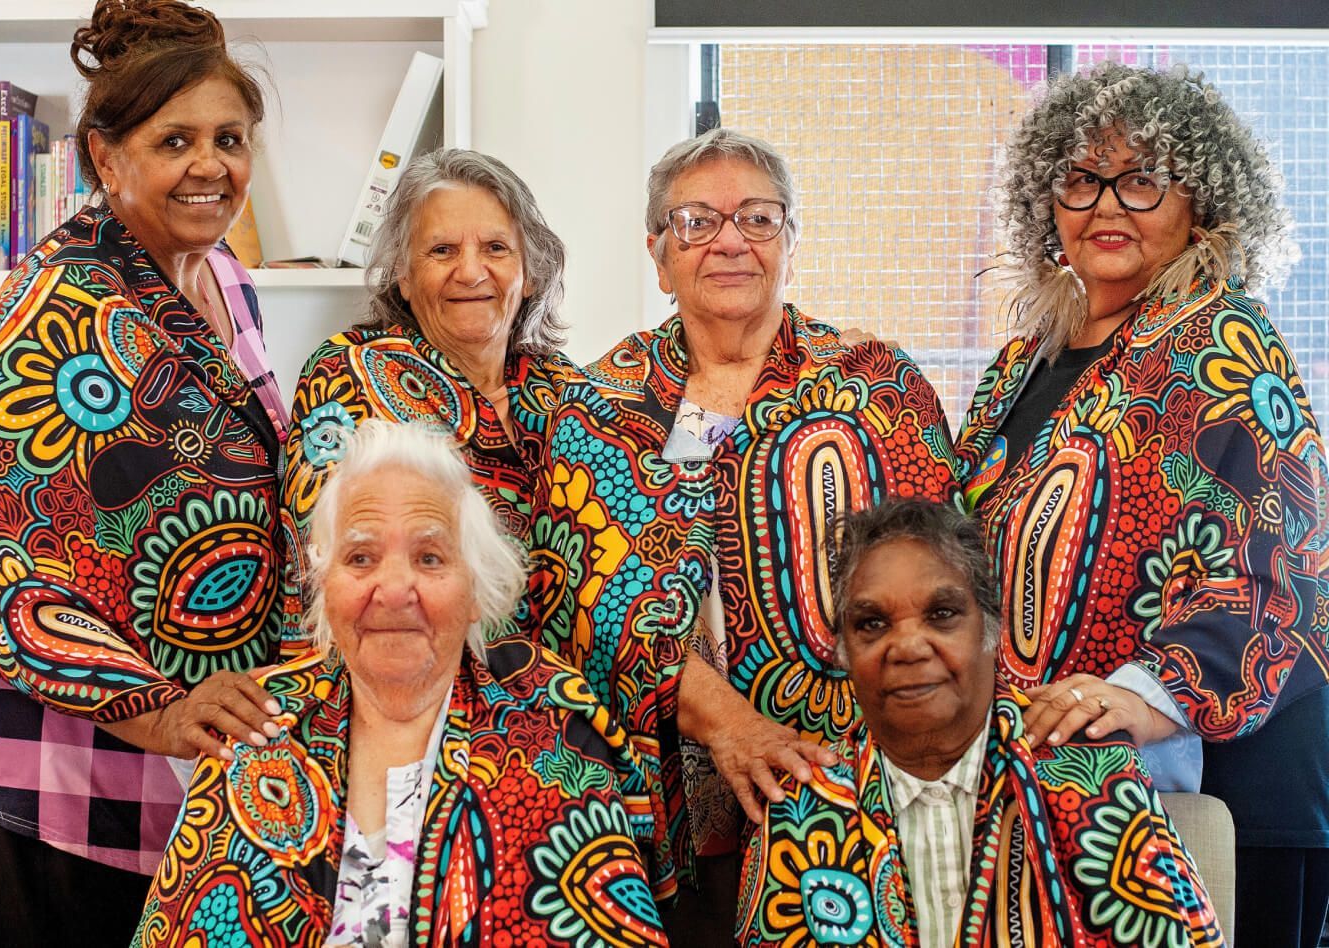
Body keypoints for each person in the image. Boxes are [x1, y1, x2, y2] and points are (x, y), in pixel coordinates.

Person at [0, 1, 288, 943]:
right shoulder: (57, 307)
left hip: (163, 755)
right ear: (106, 158)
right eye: (176, 141)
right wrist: (162, 711)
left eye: (229, 138)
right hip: (38, 766)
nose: (212, 166)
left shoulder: (224, 278)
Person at [954, 62, 1329, 947]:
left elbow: (1283, 561)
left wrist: (1146, 693)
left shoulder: (1221, 337)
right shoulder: (1022, 363)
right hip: (1079, 788)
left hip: (1234, 790)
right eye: (1081, 179)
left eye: (1141, 179)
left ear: (1200, 201)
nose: (1106, 205)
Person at [281, 148, 694, 893]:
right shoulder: (350, 374)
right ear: (404, 276)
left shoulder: (574, 395)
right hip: (403, 724)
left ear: (529, 269)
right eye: (441, 250)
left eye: (495, 248)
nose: (471, 270)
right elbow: (335, 563)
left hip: (567, 741)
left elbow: (635, 573)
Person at [586, 128, 959, 937]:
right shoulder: (600, 404)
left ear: (792, 242)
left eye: (757, 219)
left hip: (837, 782)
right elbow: (583, 597)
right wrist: (723, 719)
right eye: (696, 221)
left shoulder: (875, 384)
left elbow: (945, 581)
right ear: (658, 253)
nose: (729, 241)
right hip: (655, 791)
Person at [135, 419, 666, 946]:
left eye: (429, 557)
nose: (393, 589)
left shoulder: (552, 726)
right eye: (361, 557)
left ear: (476, 588)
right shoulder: (258, 724)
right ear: (326, 588)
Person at [738, 498, 1224, 947]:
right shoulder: (799, 808)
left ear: (990, 631)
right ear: (844, 652)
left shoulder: (1098, 779)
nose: (907, 647)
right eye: (872, 623)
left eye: (942, 614)